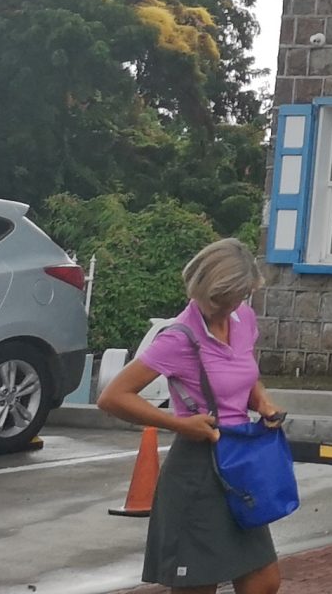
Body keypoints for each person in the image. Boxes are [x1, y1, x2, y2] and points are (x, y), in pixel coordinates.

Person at [97, 238, 285, 594]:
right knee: (198, 586)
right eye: (217, 299)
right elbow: (112, 397)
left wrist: (262, 401)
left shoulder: (244, 318)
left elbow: (244, 374)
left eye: (235, 297)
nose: (223, 308)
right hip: (196, 472)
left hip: (239, 464)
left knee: (264, 583)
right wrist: (180, 424)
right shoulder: (178, 338)